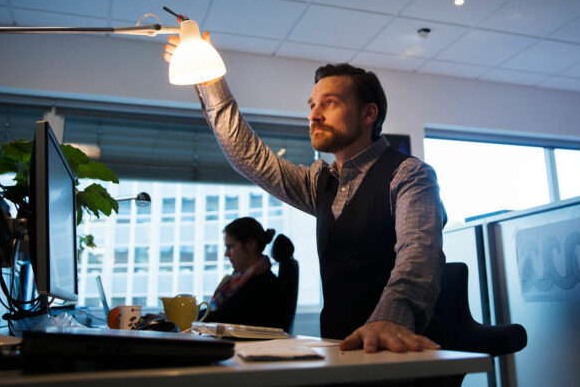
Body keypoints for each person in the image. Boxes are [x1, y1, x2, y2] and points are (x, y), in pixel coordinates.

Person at [164, 28, 447, 353]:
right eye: (312, 105)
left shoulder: (409, 174)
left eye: (330, 103)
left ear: (369, 113)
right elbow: (247, 156)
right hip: (342, 353)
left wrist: (391, 318)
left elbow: (419, 252)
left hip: (402, 352)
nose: (313, 114)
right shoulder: (319, 182)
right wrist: (208, 78)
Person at [205, 217, 282, 328]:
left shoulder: (264, 286)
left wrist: (191, 317)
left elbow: (225, 318)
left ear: (250, 244)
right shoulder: (240, 281)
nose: (226, 254)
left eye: (230, 247)